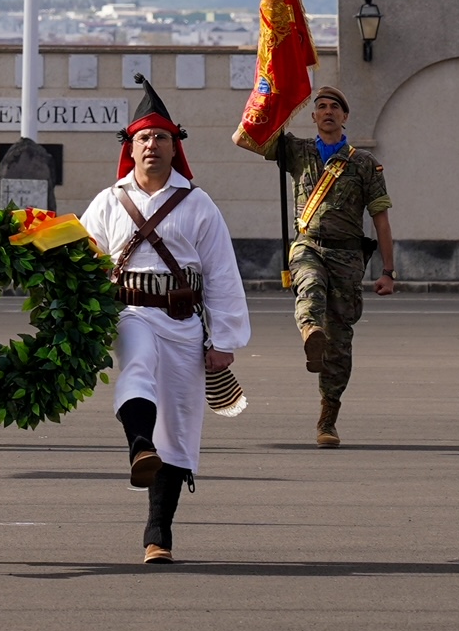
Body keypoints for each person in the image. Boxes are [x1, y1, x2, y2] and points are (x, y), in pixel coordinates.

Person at [80, 81, 248, 564]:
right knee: (136, 363)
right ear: (130, 148)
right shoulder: (108, 201)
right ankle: (138, 445)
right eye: (144, 138)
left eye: (161, 138)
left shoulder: (198, 204)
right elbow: (81, 260)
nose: (152, 145)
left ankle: (158, 534)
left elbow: (221, 274)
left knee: (178, 426)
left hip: (183, 321)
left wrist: (224, 340)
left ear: (176, 147)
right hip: (129, 312)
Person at [238, 87, 393, 447]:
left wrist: (388, 271)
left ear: (344, 116)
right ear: (313, 117)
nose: (327, 111)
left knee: (340, 342)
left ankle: (328, 416)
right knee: (309, 284)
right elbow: (244, 138)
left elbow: (381, 218)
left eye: (334, 107)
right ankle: (310, 331)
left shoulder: (363, 163)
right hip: (308, 245)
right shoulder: (297, 150)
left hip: (348, 257)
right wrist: (268, 96)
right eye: (321, 106)